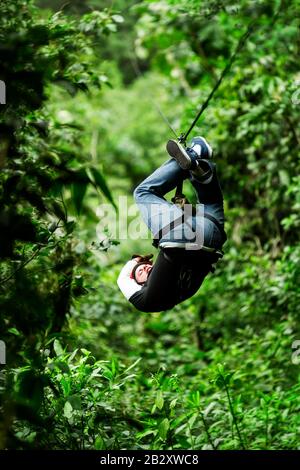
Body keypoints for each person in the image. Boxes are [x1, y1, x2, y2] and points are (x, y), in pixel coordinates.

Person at [117, 136, 227, 312]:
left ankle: (199, 170)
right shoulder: (147, 301)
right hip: (195, 241)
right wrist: (135, 262)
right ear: (142, 285)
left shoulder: (174, 288)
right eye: (140, 273)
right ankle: (195, 153)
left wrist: (187, 210)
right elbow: (122, 279)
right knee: (143, 192)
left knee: (211, 202)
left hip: (204, 239)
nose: (144, 268)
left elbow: (192, 238)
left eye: (143, 268)